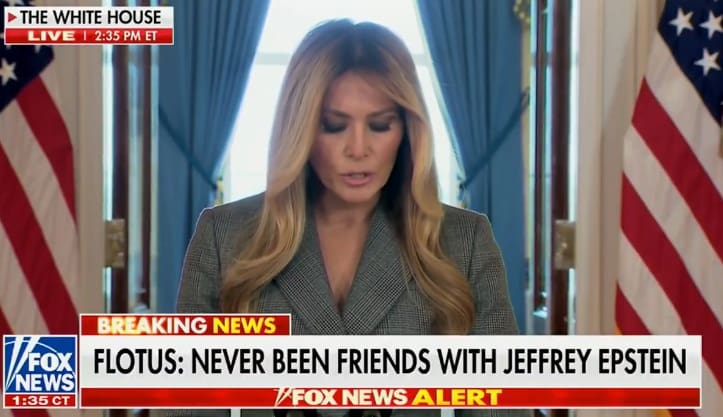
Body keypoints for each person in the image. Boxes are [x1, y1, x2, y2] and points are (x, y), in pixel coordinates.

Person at [173, 19, 528, 417]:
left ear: (407, 129)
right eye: (334, 126)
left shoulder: (464, 242)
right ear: (301, 129)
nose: (358, 149)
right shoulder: (224, 236)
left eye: (380, 125)